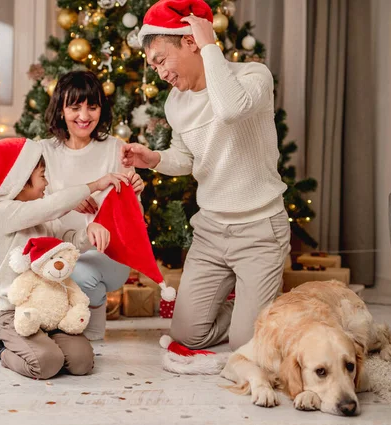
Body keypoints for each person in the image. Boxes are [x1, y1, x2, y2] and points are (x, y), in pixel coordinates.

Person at [121, 0, 291, 351]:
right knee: (188, 335)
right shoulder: (174, 103)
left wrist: (210, 43)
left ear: (189, 42)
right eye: (152, 66)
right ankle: (253, 309)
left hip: (259, 229)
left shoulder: (252, 77)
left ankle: (260, 314)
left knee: (246, 345)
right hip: (211, 231)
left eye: (160, 60)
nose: (159, 73)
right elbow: (185, 158)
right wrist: (153, 158)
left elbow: (230, 110)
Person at [0, 137, 128, 379]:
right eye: (42, 175)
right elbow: (48, 207)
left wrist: (88, 234)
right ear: (20, 179)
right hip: (17, 313)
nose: (46, 182)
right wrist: (95, 184)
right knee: (46, 364)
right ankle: (3, 347)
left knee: (82, 363)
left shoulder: (42, 213)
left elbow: (66, 240)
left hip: (52, 309)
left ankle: (44, 342)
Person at [42, 70, 144, 341]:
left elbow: (134, 220)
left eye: (92, 107)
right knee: (63, 269)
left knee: (78, 273)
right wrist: (71, 200)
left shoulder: (116, 149)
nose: (84, 116)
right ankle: (84, 315)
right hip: (56, 247)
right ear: (61, 110)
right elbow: (33, 207)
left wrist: (135, 195)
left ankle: (94, 301)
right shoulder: (44, 152)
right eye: (75, 107)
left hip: (106, 253)